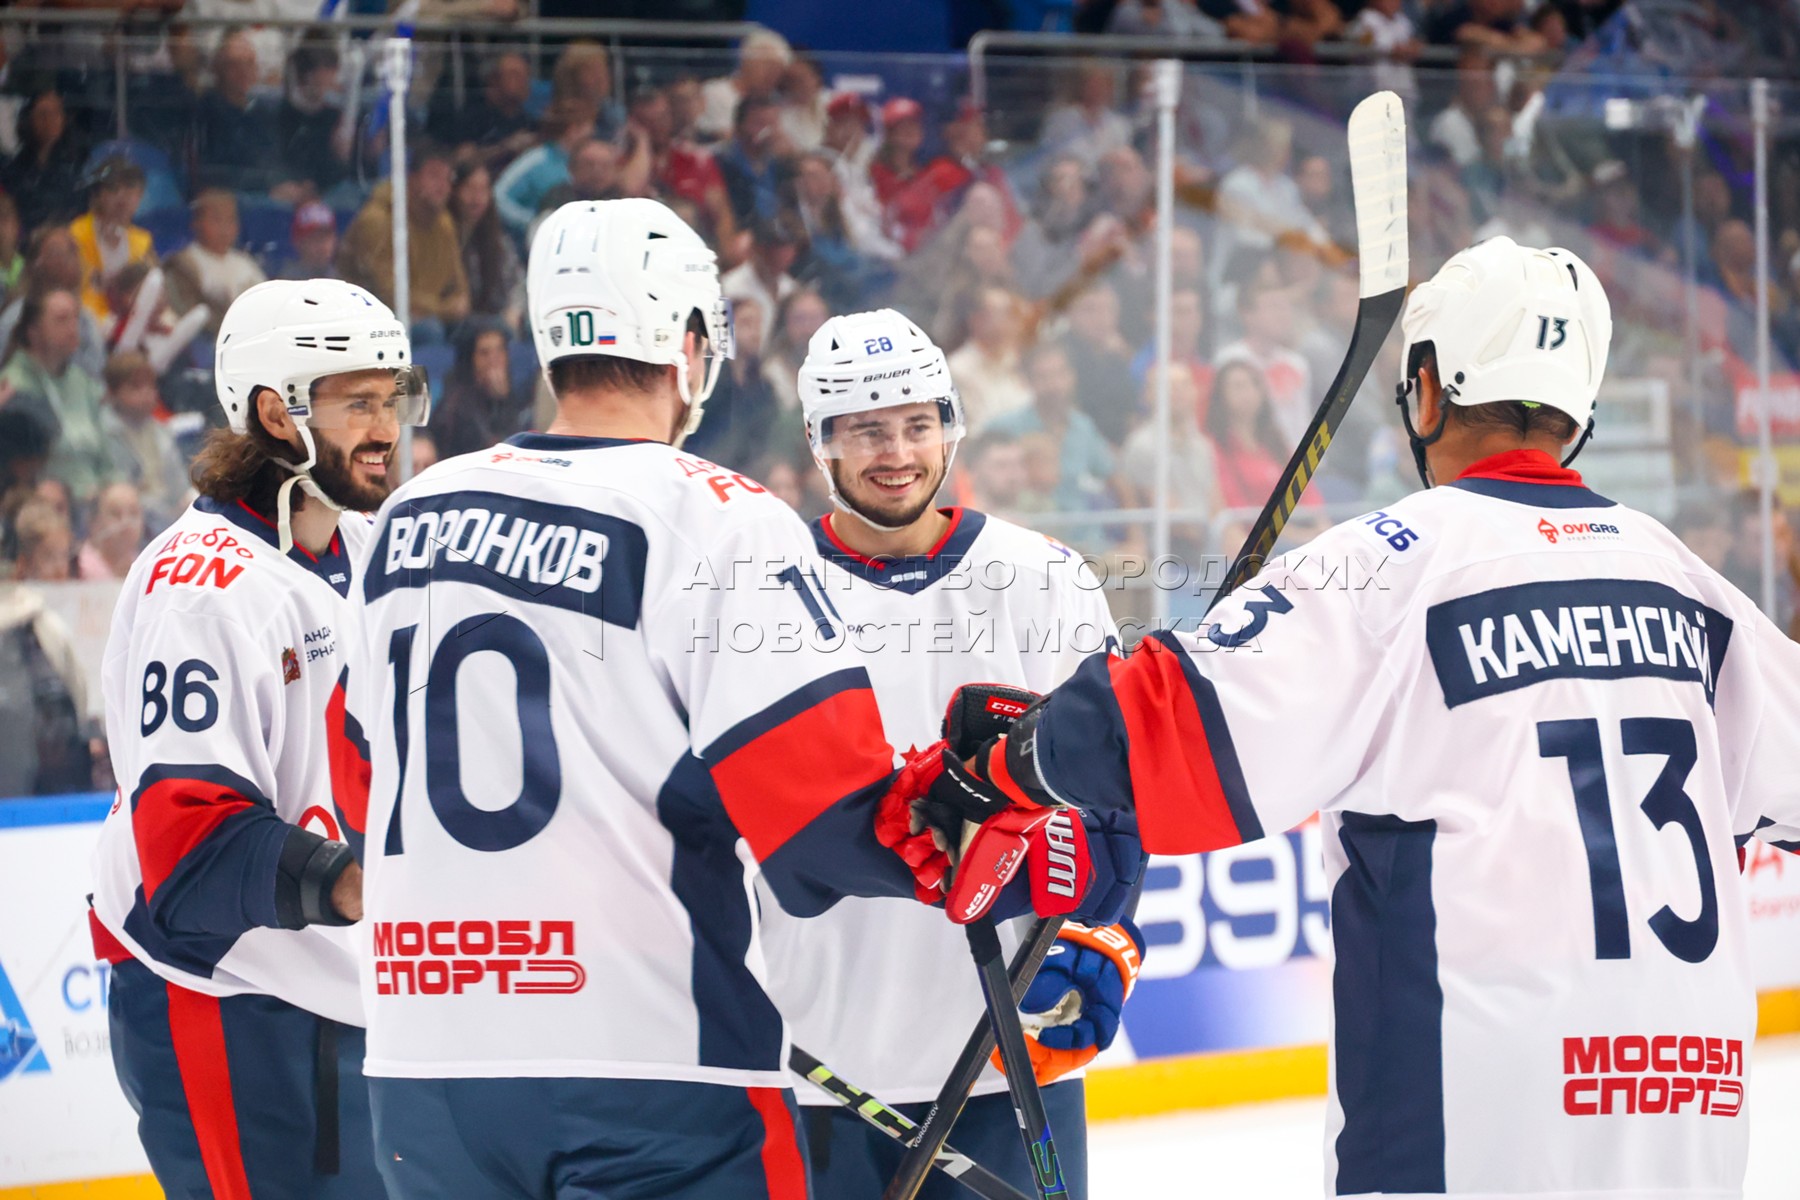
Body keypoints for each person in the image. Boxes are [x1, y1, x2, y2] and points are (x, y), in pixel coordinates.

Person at [893, 238, 1800, 1199]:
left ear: (1427, 389)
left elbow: (1167, 723)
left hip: (1473, 1113)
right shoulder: (1687, 580)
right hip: (1689, 1105)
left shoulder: (1396, 562)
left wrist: (1000, 764)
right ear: (1578, 405)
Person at [343, 197, 1016, 1197]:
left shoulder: (407, 515)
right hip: (650, 1070)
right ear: (689, 344)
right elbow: (824, 827)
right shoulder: (716, 518)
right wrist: (974, 816)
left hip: (422, 1068)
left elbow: (363, 758)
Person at [763, 310, 1139, 1200]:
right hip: (813, 1055)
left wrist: (1106, 929)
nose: (897, 452)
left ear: (950, 426)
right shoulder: (764, 588)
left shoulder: (1044, 578)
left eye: (916, 424)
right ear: (820, 441)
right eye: (866, 430)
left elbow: (1114, 797)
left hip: (1008, 1052)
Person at [86, 278, 427, 1198]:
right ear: (277, 413)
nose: (386, 429)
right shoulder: (201, 589)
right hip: (223, 1001)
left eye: (392, 400)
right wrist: (371, 884)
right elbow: (189, 847)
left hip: (347, 992)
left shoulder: (371, 547)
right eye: (358, 403)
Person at [339, 144, 471, 343]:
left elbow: (459, 289)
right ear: (412, 179)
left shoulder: (444, 223)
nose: (442, 186)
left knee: (479, 331)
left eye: (447, 178)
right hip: (371, 318)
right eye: (434, 176)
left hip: (429, 315)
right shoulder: (378, 219)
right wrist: (444, 309)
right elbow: (389, 294)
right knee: (430, 331)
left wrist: (449, 307)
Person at [0, 287, 116, 508]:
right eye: (62, 320)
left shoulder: (82, 381)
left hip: (98, 495)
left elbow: (106, 453)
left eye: (75, 319)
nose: (73, 328)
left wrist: (111, 486)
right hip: (47, 500)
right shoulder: (13, 386)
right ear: (33, 331)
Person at [100, 350, 191, 523]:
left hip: (169, 514)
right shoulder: (105, 433)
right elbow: (122, 489)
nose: (146, 394)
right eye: (136, 387)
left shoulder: (162, 431)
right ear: (112, 392)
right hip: (131, 518)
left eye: (151, 386)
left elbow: (179, 486)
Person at [164, 190, 268, 334]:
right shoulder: (183, 264)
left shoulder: (245, 263)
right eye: (216, 219)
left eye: (230, 220)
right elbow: (187, 316)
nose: (224, 228)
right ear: (196, 223)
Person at [430, 319, 534, 457]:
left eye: (500, 350)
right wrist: (499, 403)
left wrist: (502, 401)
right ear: (469, 359)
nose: (494, 360)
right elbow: (494, 450)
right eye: (485, 353)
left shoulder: (517, 396)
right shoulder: (454, 406)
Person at [68, 156, 155, 322]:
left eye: (130, 188)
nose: (122, 197)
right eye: (113, 188)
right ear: (97, 195)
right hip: (87, 323)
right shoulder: (76, 235)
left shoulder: (143, 241)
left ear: (140, 195)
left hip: (132, 324)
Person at [449, 161, 524, 328]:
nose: (477, 198)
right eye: (470, 188)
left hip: (494, 316)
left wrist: (514, 309)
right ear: (455, 191)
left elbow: (517, 282)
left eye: (483, 190)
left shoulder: (497, 239)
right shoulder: (446, 235)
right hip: (458, 321)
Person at [76, 479, 146, 580]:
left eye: (133, 513)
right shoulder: (75, 568)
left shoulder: (146, 565)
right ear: (94, 522)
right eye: (116, 514)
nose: (126, 523)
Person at [277, 201, 343, 281]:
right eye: (314, 238)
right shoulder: (287, 280)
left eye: (326, 237)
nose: (322, 245)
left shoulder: (343, 276)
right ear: (299, 242)